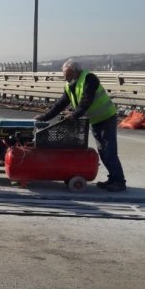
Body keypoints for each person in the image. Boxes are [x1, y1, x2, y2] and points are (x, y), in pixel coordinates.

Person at [35, 59, 127, 192]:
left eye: (67, 74)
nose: (65, 78)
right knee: (103, 152)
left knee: (109, 151)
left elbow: (86, 100)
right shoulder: (70, 84)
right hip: (95, 120)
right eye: (64, 75)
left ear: (75, 71)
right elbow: (61, 103)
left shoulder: (89, 79)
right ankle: (112, 178)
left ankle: (119, 182)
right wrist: (45, 117)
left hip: (106, 118)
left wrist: (74, 115)